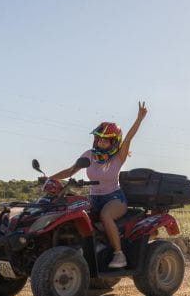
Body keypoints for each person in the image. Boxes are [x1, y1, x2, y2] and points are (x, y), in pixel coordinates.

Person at [49, 102, 148, 268]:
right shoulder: (89, 155)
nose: (101, 142)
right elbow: (70, 171)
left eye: (106, 140)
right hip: (94, 198)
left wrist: (139, 118)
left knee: (105, 216)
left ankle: (119, 255)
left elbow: (129, 137)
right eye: (99, 139)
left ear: (114, 142)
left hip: (115, 198)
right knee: (71, 214)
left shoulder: (118, 157)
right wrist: (50, 179)